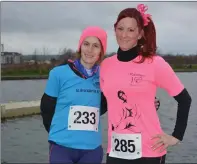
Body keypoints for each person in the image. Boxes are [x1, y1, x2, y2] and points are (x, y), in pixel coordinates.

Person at [40, 25, 161, 164]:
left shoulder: (105, 74)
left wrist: (146, 103)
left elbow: (120, 100)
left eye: (96, 46)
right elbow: (46, 109)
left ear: (101, 51)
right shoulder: (58, 73)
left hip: (91, 149)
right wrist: (58, 135)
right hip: (61, 147)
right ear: (80, 47)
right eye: (86, 44)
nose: (89, 50)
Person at [100, 4, 192, 164]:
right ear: (114, 30)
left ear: (140, 33)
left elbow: (185, 99)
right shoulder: (106, 65)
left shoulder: (155, 63)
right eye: (120, 29)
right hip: (116, 152)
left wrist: (176, 136)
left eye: (131, 30)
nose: (124, 35)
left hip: (149, 152)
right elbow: (104, 104)